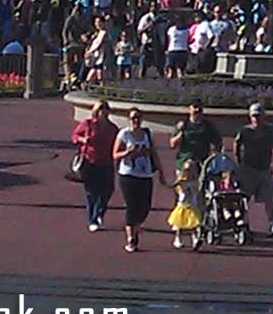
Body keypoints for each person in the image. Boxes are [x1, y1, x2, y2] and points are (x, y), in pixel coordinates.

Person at [112, 109, 166, 253]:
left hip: (145, 174)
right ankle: (131, 237)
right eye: (133, 118)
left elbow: (153, 152)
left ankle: (136, 227)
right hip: (128, 174)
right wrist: (128, 153)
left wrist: (160, 171)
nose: (135, 120)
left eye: (138, 117)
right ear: (128, 119)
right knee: (132, 206)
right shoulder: (124, 134)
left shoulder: (147, 134)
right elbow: (115, 154)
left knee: (145, 207)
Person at [236, 104, 273, 236]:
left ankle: (271, 223)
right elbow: (237, 144)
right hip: (248, 169)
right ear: (250, 117)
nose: (256, 119)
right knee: (244, 197)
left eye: (258, 116)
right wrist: (239, 163)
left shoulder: (270, 130)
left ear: (263, 116)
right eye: (254, 116)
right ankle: (243, 222)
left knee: (269, 198)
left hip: (264, 168)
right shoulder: (245, 131)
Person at [70, 101, 118, 232]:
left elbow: (118, 144)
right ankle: (92, 218)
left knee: (108, 190)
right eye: (101, 108)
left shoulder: (112, 128)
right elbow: (75, 135)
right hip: (90, 161)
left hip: (106, 162)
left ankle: (100, 212)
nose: (103, 111)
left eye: (106, 108)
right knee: (92, 192)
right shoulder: (88, 124)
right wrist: (82, 140)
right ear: (96, 111)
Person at [171, 99, 222, 168]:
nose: (197, 110)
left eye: (200, 108)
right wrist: (181, 132)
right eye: (195, 107)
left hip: (202, 164)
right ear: (189, 109)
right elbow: (173, 144)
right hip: (185, 163)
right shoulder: (183, 125)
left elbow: (218, 143)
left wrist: (213, 156)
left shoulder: (208, 126)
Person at [168, 158, 204, 250]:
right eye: (187, 170)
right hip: (183, 205)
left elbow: (197, 191)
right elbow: (172, 186)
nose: (189, 173)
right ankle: (177, 239)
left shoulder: (195, 182)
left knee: (193, 224)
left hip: (192, 206)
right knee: (179, 224)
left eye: (191, 170)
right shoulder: (182, 181)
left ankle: (195, 239)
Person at [164, 14, 192, 80]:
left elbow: (169, 40)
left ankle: (167, 85)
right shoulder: (187, 30)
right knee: (180, 71)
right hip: (183, 50)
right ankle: (181, 85)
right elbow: (188, 40)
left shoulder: (171, 29)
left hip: (172, 50)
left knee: (170, 71)